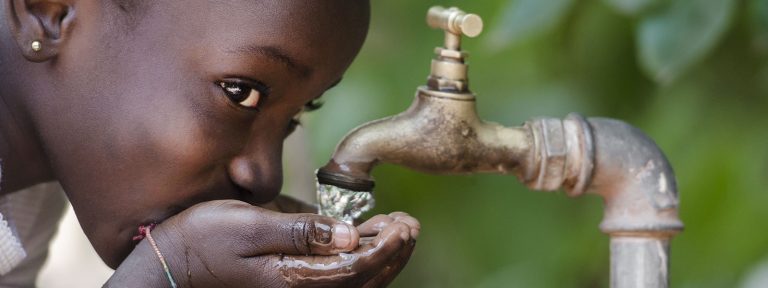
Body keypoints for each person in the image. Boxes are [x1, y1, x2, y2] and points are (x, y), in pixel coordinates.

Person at [0, 0, 420, 286]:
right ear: (49, 12)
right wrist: (168, 270)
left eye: (295, 116)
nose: (264, 177)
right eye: (240, 92)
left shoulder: (27, 194)